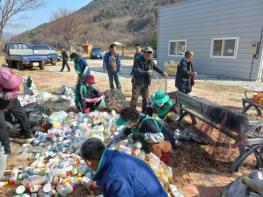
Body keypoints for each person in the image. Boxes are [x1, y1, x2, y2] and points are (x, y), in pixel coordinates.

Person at [81, 138, 168, 197]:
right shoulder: (116, 156)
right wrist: (98, 184)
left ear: (88, 161)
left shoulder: (114, 178)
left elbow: (117, 180)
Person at [0, 68, 33, 154]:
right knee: (1, 125)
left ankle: (29, 135)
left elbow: (17, 90)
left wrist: (10, 95)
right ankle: (6, 149)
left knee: (22, 115)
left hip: (12, 100)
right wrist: (2, 95)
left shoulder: (9, 75)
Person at [130, 46, 167, 113]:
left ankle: (144, 112)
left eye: (149, 54)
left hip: (145, 83)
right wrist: (146, 72)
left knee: (145, 99)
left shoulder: (150, 60)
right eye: (146, 54)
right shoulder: (137, 60)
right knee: (134, 98)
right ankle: (132, 112)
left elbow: (155, 67)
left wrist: (162, 72)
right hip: (137, 82)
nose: (148, 56)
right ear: (143, 53)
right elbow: (136, 71)